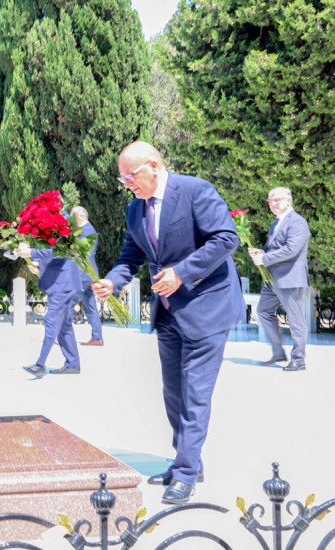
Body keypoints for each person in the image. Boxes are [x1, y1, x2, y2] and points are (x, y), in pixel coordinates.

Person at [92, 142, 244, 504]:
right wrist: (113, 280)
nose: (127, 183)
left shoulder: (194, 191)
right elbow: (131, 256)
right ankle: (186, 460)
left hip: (208, 307)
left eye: (132, 175)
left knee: (195, 394)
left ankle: (187, 473)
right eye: (122, 178)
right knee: (173, 393)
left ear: (155, 166)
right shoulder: (134, 210)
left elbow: (226, 239)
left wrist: (182, 273)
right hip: (169, 313)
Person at [249, 187, 311, 371]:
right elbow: (276, 249)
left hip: (290, 279)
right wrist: (261, 253)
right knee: (263, 312)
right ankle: (278, 352)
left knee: (296, 320)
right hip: (272, 280)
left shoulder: (298, 222)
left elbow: (292, 249)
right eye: (270, 201)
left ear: (288, 200)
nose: (272, 203)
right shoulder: (276, 223)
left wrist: (265, 258)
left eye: (277, 200)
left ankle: (299, 360)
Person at [17, 236, 84, 378]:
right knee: (64, 326)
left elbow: (61, 250)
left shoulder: (63, 220)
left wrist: (31, 253)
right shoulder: (57, 222)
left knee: (51, 321)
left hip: (62, 284)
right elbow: (57, 256)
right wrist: (39, 267)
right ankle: (73, 364)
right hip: (64, 282)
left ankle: (40, 365)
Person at [70, 206, 104, 346]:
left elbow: (78, 251)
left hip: (81, 274)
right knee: (90, 306)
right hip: (88, 275)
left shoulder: (87, 231)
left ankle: (63, 336)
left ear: (79, 217)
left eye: (73, 217)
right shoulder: (87, 230)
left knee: (68, 303)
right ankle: (97, 337)